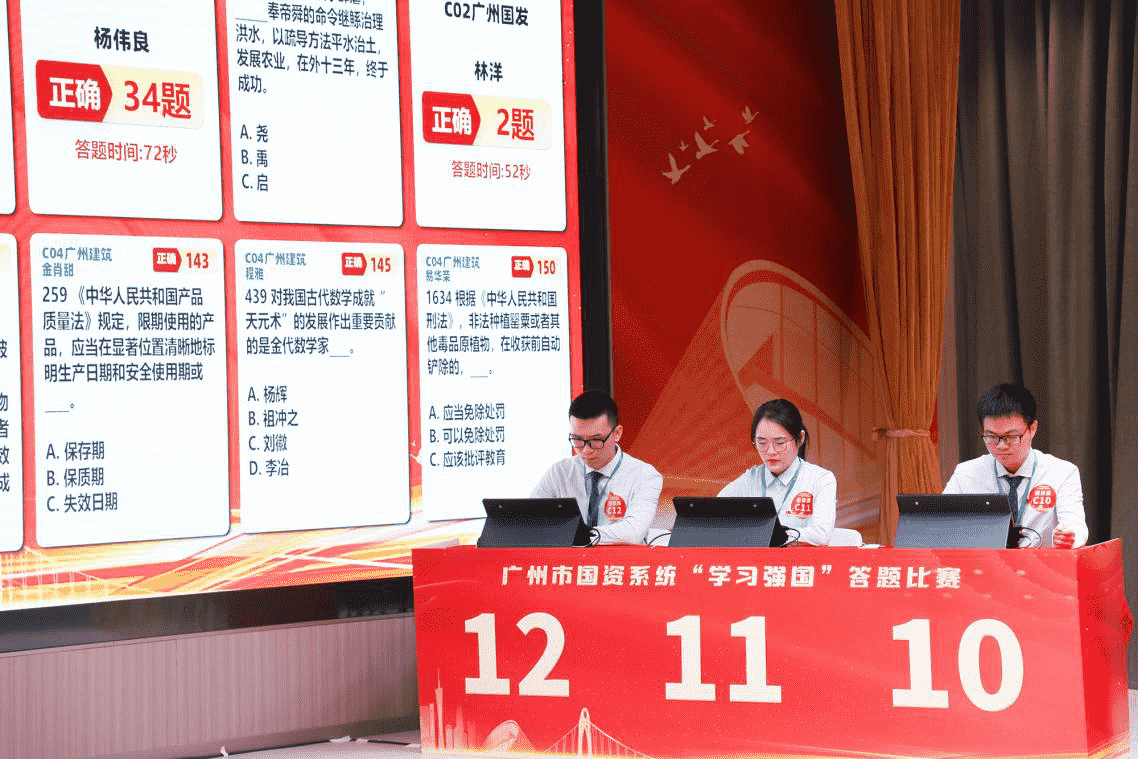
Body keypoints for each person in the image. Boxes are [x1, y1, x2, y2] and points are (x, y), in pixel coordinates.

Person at [944, 383, 1087, 548]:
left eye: (1011, 437)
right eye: (991, 436)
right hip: (987, 562)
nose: (1001, 446)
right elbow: (941, 522)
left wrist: (1069, 536)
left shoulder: (1061, 472)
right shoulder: (966, 473)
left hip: (1042, 562)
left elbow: (1075, 525)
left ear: (1032, 429)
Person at [530, 390, 664, 545]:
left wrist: (577, 535)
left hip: (621, 560)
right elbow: (530, 519)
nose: (586, 450)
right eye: (577, 440)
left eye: (596, 440)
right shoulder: (560, 472)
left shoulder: (644, 475)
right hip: (568, 560)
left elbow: (633, 532)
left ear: (617, 433)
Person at [718, 398, 836, 546]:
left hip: (800, 560)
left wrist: (778, 536)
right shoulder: (751, 478)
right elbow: (715, 515)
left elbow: (821, 534)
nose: (770, 451)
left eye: (780, 443)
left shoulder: (820, 479)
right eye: (762, 443)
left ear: (800, 438)